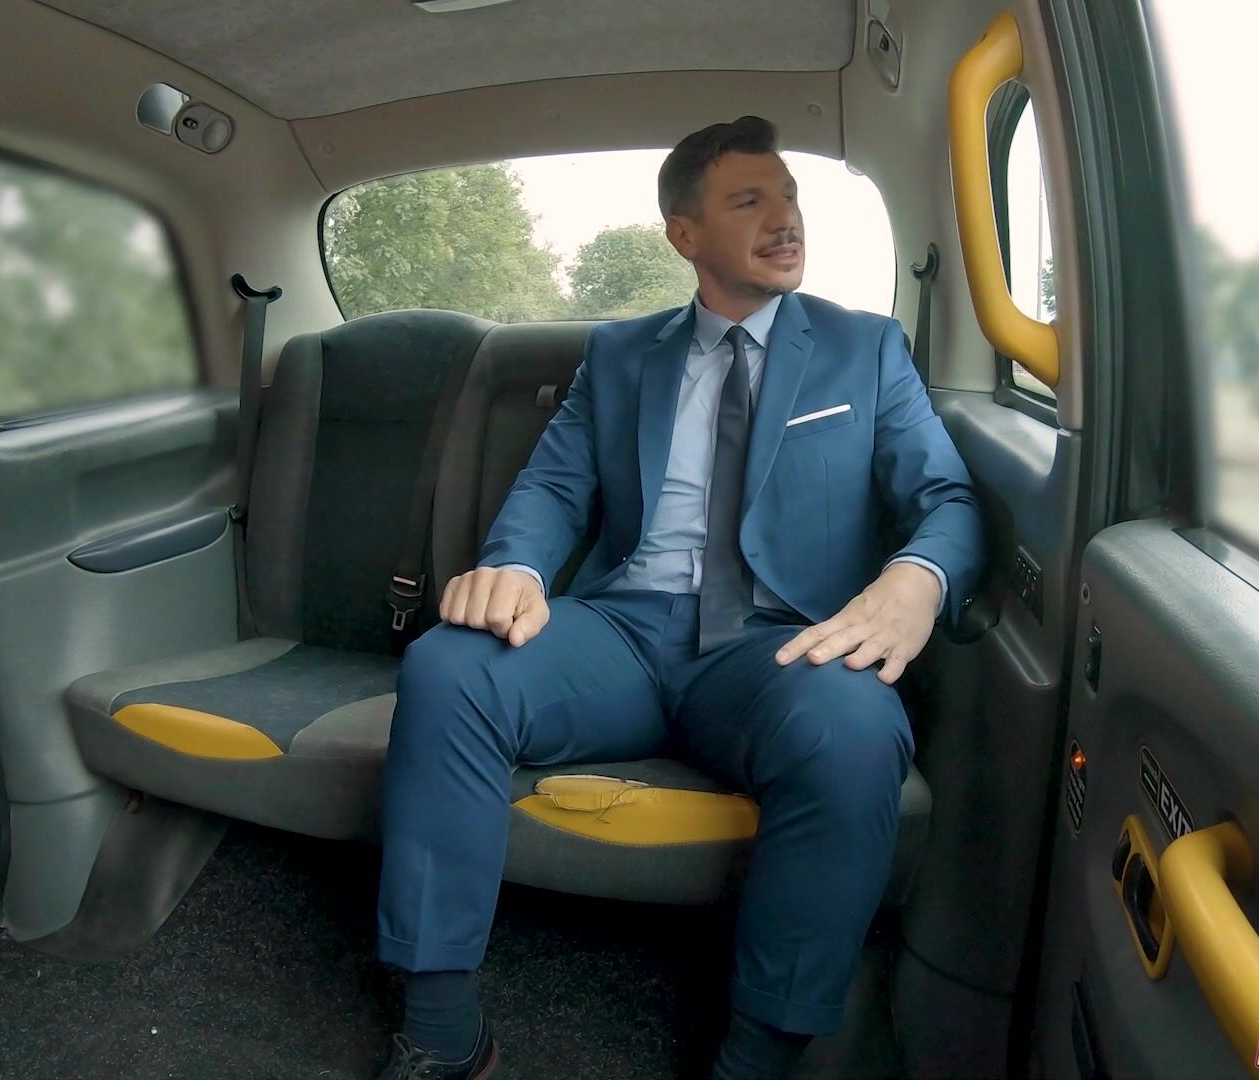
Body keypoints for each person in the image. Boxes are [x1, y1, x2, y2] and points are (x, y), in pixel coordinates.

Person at [375, 115, 984, 1080]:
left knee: (856, 727)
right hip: (622, 630)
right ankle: (444, 1035)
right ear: (685, 234)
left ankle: (758, 1059)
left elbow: (945, 498)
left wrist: (918, 577)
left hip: (777, 647)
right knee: (450, 668)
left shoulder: (865, 348)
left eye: (790, 196)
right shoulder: (621, 354)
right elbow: (554, 487)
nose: (785, 218)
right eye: (749, 200)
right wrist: (518, 570)